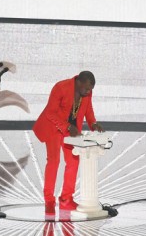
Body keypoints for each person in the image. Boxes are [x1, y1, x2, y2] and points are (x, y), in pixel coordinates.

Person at [33, 71, 104, 213]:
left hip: (70, 130)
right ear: (79, 82)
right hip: (54, 127)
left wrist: (93, 124)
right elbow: (50, 113)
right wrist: (67, 126)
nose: (89, 92)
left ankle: (66, 199)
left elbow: (88, 111)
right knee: (54, 162)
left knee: (73, 160)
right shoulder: (60, 87)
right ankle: (49, 200)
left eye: (90, 90)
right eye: (87, 88)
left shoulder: (86, 93)